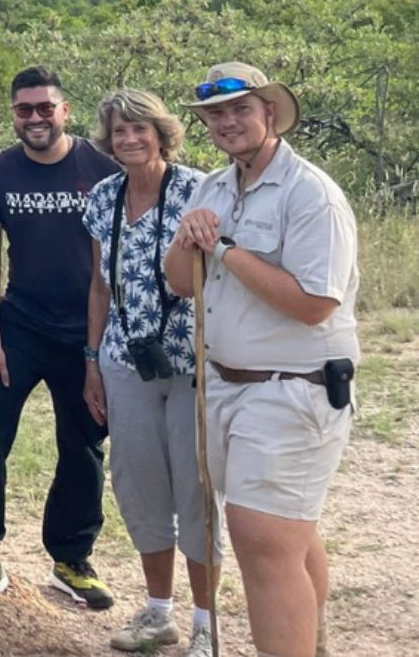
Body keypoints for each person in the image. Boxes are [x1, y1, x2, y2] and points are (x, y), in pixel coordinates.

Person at [167, 62, 359, 657]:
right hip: (227, 384)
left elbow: (314, 304)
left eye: (240, 109)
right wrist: (186, 237)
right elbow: (180, 284)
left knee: (260, 541)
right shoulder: (213, 187)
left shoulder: (311, 193)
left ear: (269, 114)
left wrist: (223, 248)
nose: (227, 122)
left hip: (294, 386)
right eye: (215, 115)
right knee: (285, 534)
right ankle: (313, 644)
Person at [0, 66, 122, 616]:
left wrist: (95, 353)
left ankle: (72, 557)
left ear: (66, 111)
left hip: (88, 327)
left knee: (85, 436)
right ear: (13, 114)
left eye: (46, 108)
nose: (36, 118)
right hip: (22, 323)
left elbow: (105, 269)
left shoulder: (102, 169)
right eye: (25, 109)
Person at [81, 89, 219, 656]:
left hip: (193, 364)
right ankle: (158, 612)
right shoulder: (104, 196)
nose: (130, 140)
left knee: (195, 491)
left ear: (162, 133)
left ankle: (206, 625)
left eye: (141, 129)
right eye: (119, 131)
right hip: (123, 360)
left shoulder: (198, 189)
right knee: (139, 488)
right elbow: (99, 285)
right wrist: (92, 361)